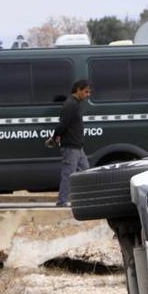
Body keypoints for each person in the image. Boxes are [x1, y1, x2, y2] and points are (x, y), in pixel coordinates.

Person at [48, 79, 91, 207]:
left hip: (78, 146)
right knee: (68, 174)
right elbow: (62, 125)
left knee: (86, 172)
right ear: (78, 90)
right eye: (86, 92)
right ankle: (62, 201)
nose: (88, 95)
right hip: (70, 147)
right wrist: (54, 137)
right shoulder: (70, 105)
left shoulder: (76, 104)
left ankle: (84, 200)